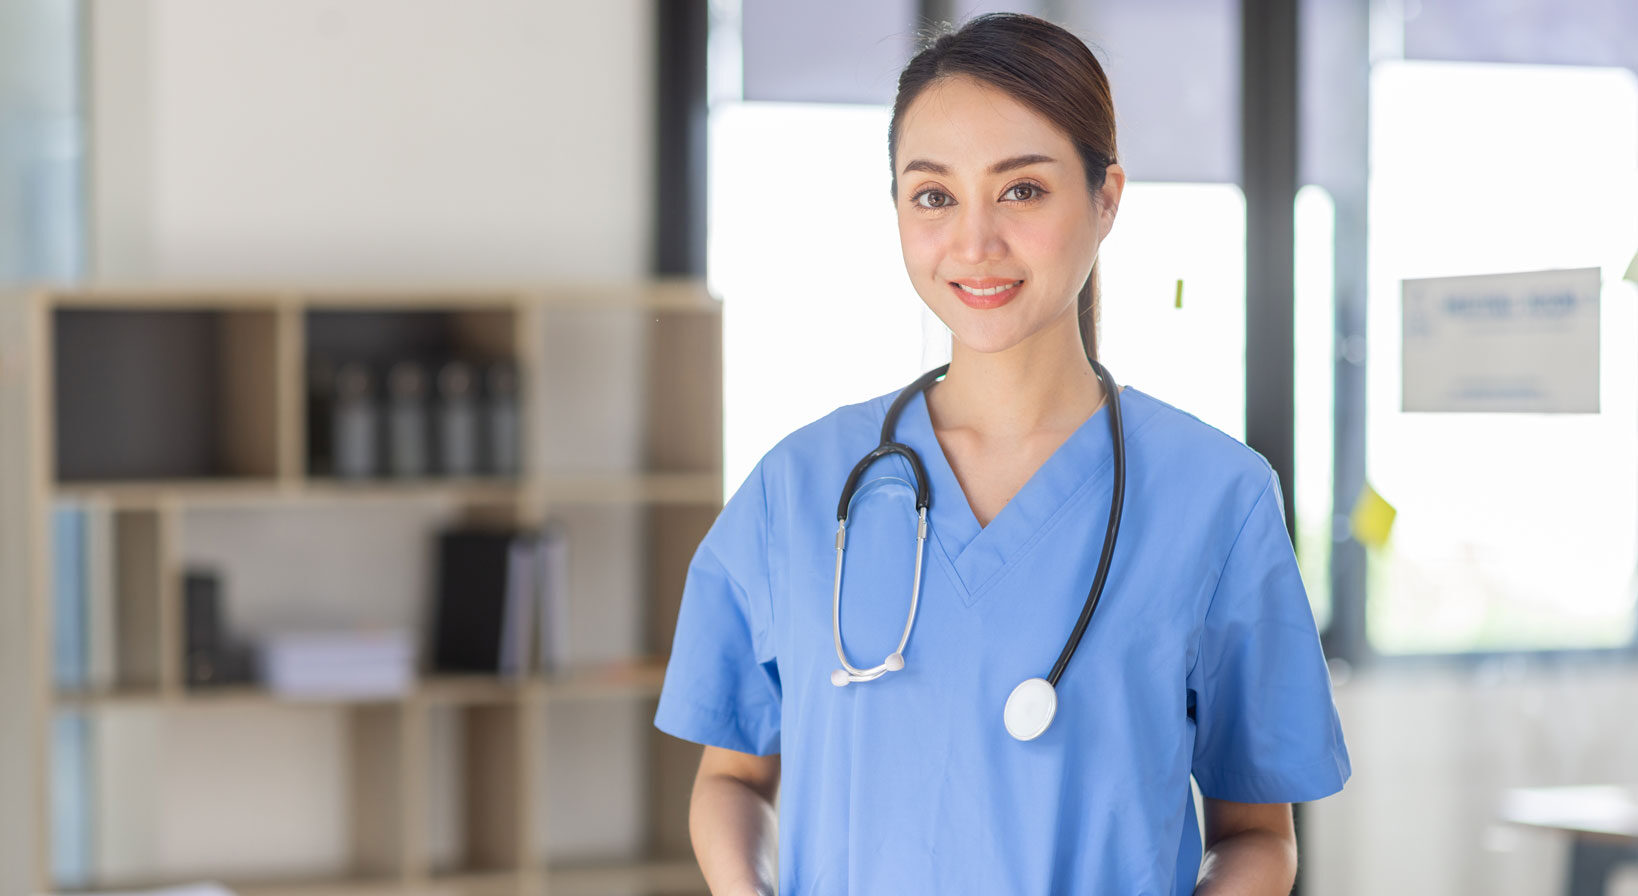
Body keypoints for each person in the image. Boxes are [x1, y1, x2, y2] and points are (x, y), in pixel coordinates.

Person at [654, 12, 1350, 895]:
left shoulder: (1217, 498)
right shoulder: (798, 487)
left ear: (1106, 199)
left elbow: (1257, 835)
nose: (974, 242)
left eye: (1021, 190)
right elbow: (733, 779)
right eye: (934, 195)